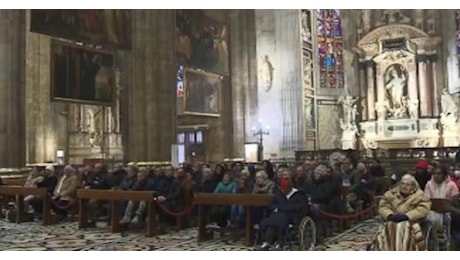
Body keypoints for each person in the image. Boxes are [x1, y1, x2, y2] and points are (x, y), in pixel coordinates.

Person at [372, 174, 431, 251]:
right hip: (392, 220)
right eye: (402, 184)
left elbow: (423, 209)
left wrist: (407, 216)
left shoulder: (420, 195)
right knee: (387, 228)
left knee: (402, 227)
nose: (404, 186)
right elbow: (383, 206)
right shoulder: (390, 194)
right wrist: (389, 215)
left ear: (413, 186)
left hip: (411, 222)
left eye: (407, 184)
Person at [256, 176, 306, 251]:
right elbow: (271, 204)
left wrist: (280, 208)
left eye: (284, 189)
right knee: (274, 220)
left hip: (291, 217)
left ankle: (280, 242)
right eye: (281, 189)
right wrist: (278, 208)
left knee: (280, 219)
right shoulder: (279, 194)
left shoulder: (299, 195)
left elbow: (298, 207)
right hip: (277, 215)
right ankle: (267, 242)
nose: (282, 191)